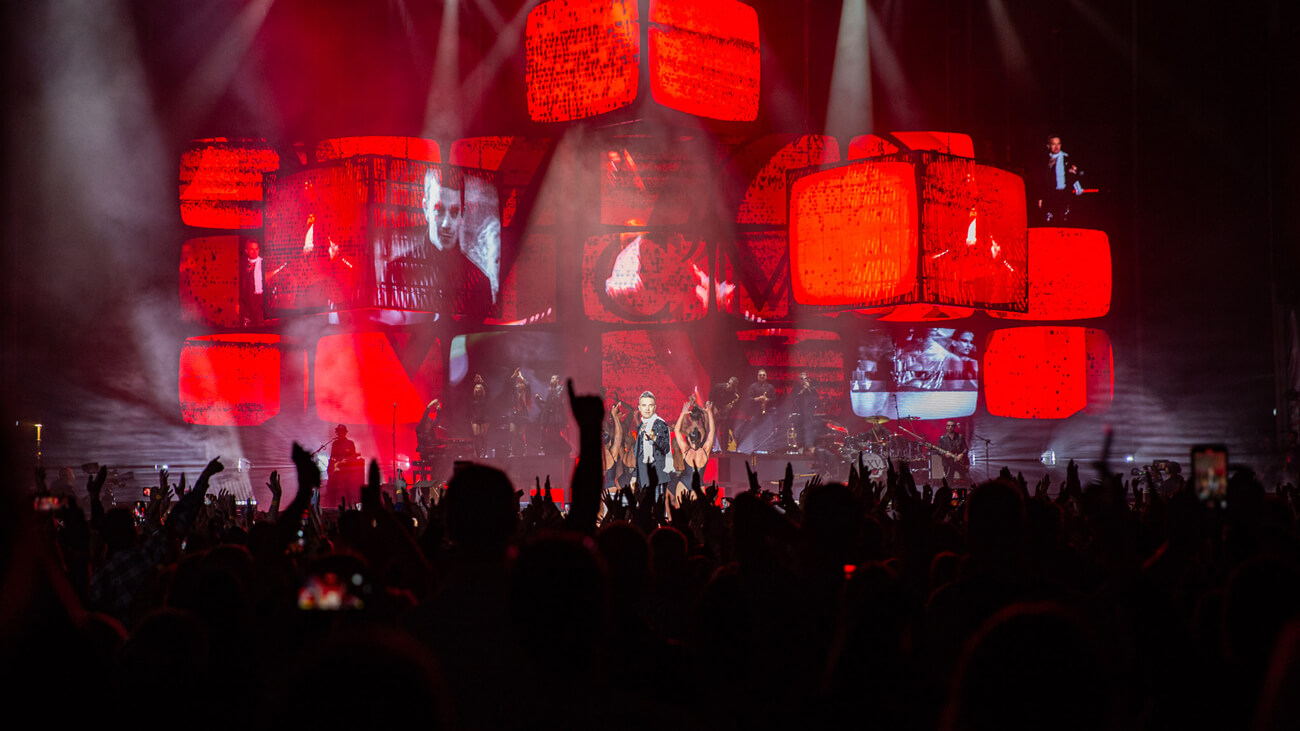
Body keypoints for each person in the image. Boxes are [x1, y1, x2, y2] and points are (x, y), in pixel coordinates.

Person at [375, 164, 495, 316]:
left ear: (462, 215)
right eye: (439, 209)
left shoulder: (480, 283)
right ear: (425, 208)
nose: (446, 224)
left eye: (454, 212)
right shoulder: (395, 273)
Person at [674, 397, 716, 501]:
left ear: (689, 438)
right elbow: (712, 431)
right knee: (697, 514)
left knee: (680, 513)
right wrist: (709, 412)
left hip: (684, 482)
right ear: (701, 438)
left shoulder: (686, 450)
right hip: (698, 485)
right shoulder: (705, 451)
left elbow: (676, 430)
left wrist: (683, 413)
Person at [632, 391, 672, 502]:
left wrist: (654, 438)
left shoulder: (659, 423)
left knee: (656, 513)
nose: (647, 409)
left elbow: (666, 447)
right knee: (645, 512)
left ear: (655, 407)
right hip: (643, 477)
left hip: (657, 477)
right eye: (644, 405)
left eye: (650, 405)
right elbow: (638, 453)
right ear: (639, 407)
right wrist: (634, 476)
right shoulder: (641, 425)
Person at [1038, 135, 1081, 224]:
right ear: (1048, 146)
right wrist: (1040, 198)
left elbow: (1074, 175)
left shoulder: (1067, 158)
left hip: (1064, 193)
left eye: (1058, 144)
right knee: (1049, 220)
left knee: (1065, 219)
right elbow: (1042, 180)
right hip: (1050, 194)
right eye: (1053, 144)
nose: (1056, 147)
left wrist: (1078, 187)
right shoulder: (1044, 160)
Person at [534, 374, 569, 456]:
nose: (551, 380)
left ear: (557, 380)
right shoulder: (551, 390)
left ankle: (566, 448)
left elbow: (558, 400)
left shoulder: (561, 389)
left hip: (558, 415)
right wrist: (540, 399)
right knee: (550, 432)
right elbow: (548, 403)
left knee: (557, 433)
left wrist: (553, 390)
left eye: (553, 378)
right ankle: (552, 449)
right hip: (551, 416)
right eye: (551, 378)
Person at [709, 376, 742, 451]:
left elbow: (735, 403)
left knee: (725, 430)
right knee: (713, 429)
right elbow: (711, 396)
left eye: (733, 387)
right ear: (729, 382)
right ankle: (710, 447)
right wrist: (714, 408)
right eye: (730, 385)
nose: (730, 388)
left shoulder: (735, 393)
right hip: (715, 410)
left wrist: (730, 407)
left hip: (725, 413)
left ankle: (725, 449)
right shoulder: (718, 386)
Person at [789, 371, 819, 453]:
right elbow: (792, 398)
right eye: (801, 379)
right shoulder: (796, 388)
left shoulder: (812, 389)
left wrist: (808, 389)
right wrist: (802, 391)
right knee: (800, 432)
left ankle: (810, 449)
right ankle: (801, 449)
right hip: (799, 415)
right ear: (799, 380)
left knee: (810, 431)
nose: (804, 380)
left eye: (805, 378)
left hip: (809, 415)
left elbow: (816, 398)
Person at [239, 240, 264, 326]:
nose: (254, 252)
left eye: (256, 249)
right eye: (252, 249)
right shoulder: (242, 265)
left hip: (260, 300)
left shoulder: (263, 263)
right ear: (246, 251)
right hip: (247, 302)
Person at [508, 368, 531, 457]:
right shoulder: (515, 392)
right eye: (518, 383)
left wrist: (521, 376)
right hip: (514, 415)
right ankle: (511, 452)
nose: (519, 384)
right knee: (512, 433)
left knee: (521, 434)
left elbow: (528, 385)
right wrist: (514, 376)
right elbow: (508, 385)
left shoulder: (527, 392)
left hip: (523, 415)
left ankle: (525, 450)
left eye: (521, 383)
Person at [469, 375, 490, 458]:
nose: (477, 389)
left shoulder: (485, 397)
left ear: (481, 389)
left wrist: (482, 382)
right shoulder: (472, 398)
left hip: (484, 418)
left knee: (483, 436)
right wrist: (474, 382)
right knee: (476, 435)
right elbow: (468, 390)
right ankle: (476, 452)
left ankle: (483, 452)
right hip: (475, 418)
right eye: (476, 388)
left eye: (479, 388)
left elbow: (488, 390)